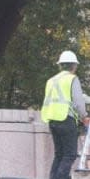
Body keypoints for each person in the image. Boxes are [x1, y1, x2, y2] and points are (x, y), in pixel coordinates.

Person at [41, 50, 90, 179]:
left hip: (52, 120)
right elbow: (78, 101)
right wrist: (84, 116)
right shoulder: (72, 79)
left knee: (60, 154)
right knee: (70, 154)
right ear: (74, 66)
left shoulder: (51, 80)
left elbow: (70, 97)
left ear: (60, 65)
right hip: (66, 119)